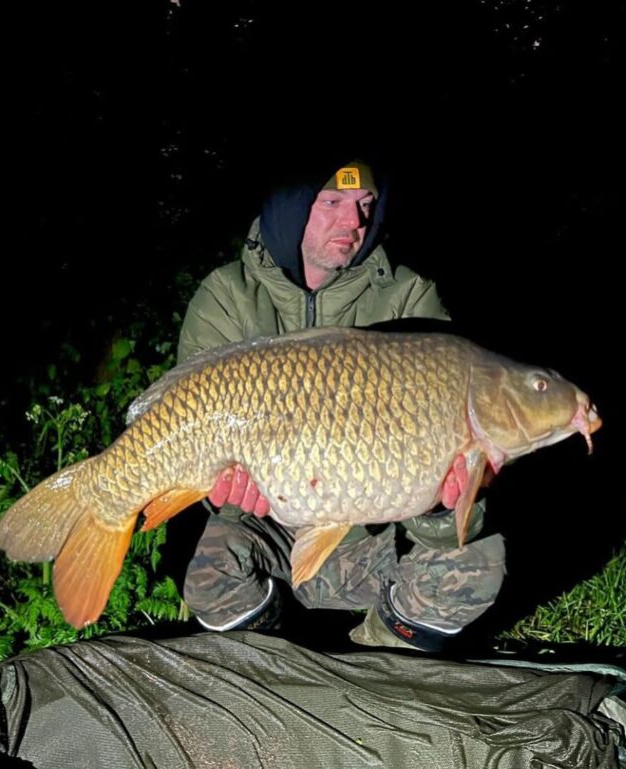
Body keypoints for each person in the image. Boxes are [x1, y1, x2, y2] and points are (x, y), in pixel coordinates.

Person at [176, 158, 506, 651]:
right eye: (331, 203)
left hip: (377, 544)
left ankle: (376, 656)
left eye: (364, 205)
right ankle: (286, 651)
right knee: (209, 575)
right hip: (276, 533)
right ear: (290, 210)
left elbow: (443, 497)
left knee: (476, 562)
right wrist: (218, 492)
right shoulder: (228, 298)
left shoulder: (409, 298)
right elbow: (187, 439)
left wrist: (444, 505)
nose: (353, 223)